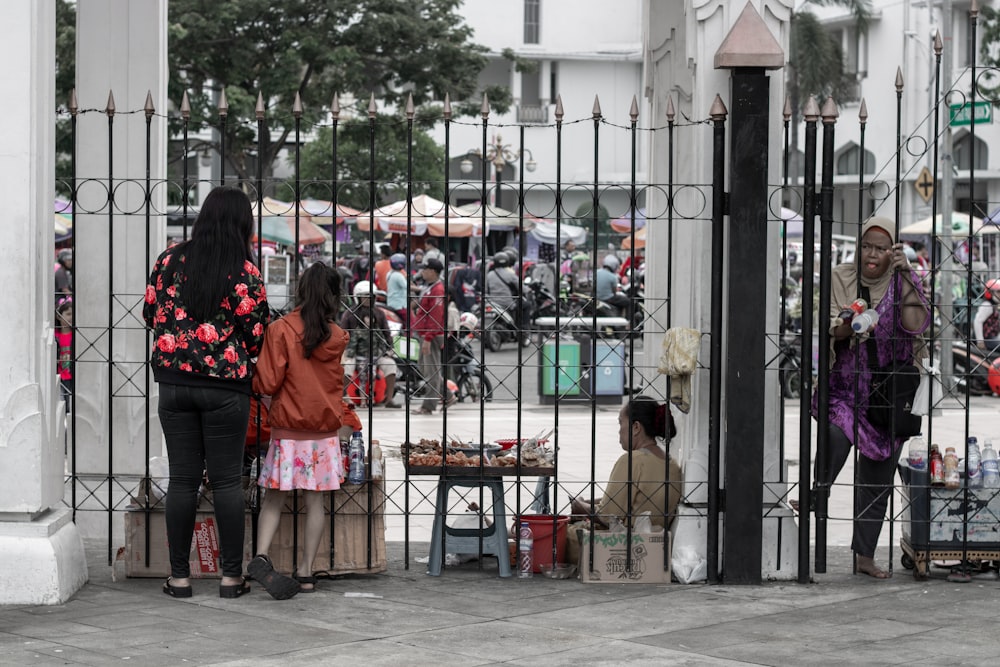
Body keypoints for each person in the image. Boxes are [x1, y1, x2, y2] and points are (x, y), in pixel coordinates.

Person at [143, 186, 270, 599]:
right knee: (227, 482)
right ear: (242, 223)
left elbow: (151, 313)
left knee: (182, 480)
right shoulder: (245, 271)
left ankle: (179, 578)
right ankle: (231, 578)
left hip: (174, 385)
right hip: (225, 388)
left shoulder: (168, 260)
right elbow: (256, 335)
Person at [812, 216, 930, 579]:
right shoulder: (841, 277)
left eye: (881, 248)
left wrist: (907, 273)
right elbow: (831, 325)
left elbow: (915, 323)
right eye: (867, 246)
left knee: (877, 478)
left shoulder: (904, 280)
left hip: (888, 393)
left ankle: (864, 555)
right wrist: (851, 322)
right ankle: (818, 492)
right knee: (833, 434)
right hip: (846, 386)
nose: (872, 254)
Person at [246, 262, 350, 599]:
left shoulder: (281, 330)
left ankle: (261, 556)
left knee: (274, 497)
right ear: (335, 296)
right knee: (315, 503)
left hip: (288, 430)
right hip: (323, 432)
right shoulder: (337, 337)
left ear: (300, 291)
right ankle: (305, 571)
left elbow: (267, 381)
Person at [570, 396, 682, 529]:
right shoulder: (671, 463)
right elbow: (635, 499)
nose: (619, 431)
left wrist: (579, 505)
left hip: (628, 543)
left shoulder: (632, 461)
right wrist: (590, 503)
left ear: (636, 427)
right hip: (655, 541)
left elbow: (608, 516)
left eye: (620, 423)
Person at [340, 281, 401, 408]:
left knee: (391, 365)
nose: (368, 299)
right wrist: (344, 353)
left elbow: (386, 333)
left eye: (370, 296)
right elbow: (342, 335)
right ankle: (343, 396)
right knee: (347, 368)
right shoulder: (349, 314)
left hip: (376, 352)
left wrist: (390, 349)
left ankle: (389, 399)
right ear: (358, 297)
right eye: (365, 296)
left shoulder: (379, 313)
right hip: (354, 352)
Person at [410, 256, 454, 414]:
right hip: (423, 333)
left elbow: (435, 316)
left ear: (433, 272)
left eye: (425, 269)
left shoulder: (438, 290)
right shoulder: (429, 286)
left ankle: (428, 406)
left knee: (431, 370)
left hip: (431, 335)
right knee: (426, 368)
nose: (422, 271)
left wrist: (428, 338)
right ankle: (448, 395)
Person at [55, 297, 74, 408]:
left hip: (72, 377)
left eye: (73, 314)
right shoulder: (55, 337)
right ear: (59, 316)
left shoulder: (75, 336)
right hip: (60, 378)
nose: (71, 317)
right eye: (68, 314)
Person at [974, 278, 1000, 352]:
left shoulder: (994, 305)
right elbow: (977, 321)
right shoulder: (987, 305)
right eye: (998, 292)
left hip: (992, 338)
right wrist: (980, 341)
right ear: (990, 292)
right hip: (987, 339)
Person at [386, 253, 410, 323]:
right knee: (411, 321)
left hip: (391, 302)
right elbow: (407, 286)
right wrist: (420, 289)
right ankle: (409, 333)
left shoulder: (390, 273)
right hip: (400, 304)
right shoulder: (398, 276)